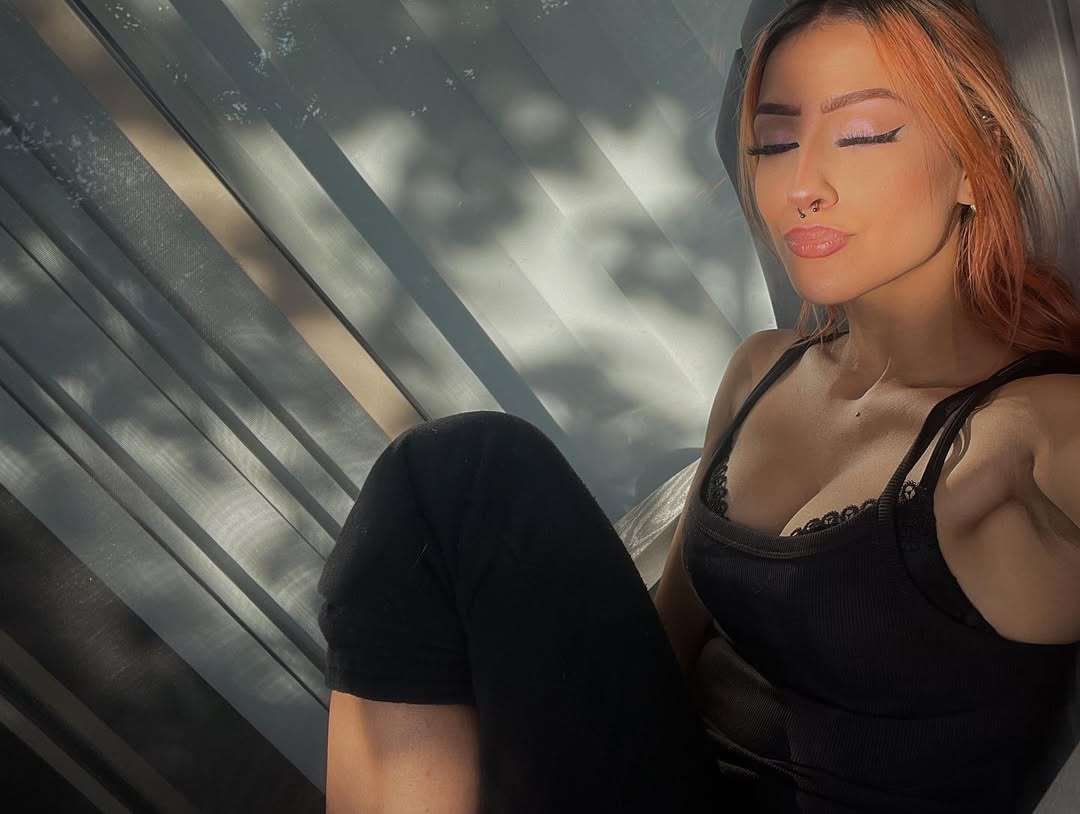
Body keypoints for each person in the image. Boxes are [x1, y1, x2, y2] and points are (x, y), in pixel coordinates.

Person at [317, 1, 1080, 811]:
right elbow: (667, 640)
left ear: (975, 160)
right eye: (774, 143)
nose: (801, 186)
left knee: (466, 468)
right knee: (450, 476)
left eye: (861, 136)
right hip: (661, 783)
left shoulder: (1033, 430)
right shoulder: (761, 370)